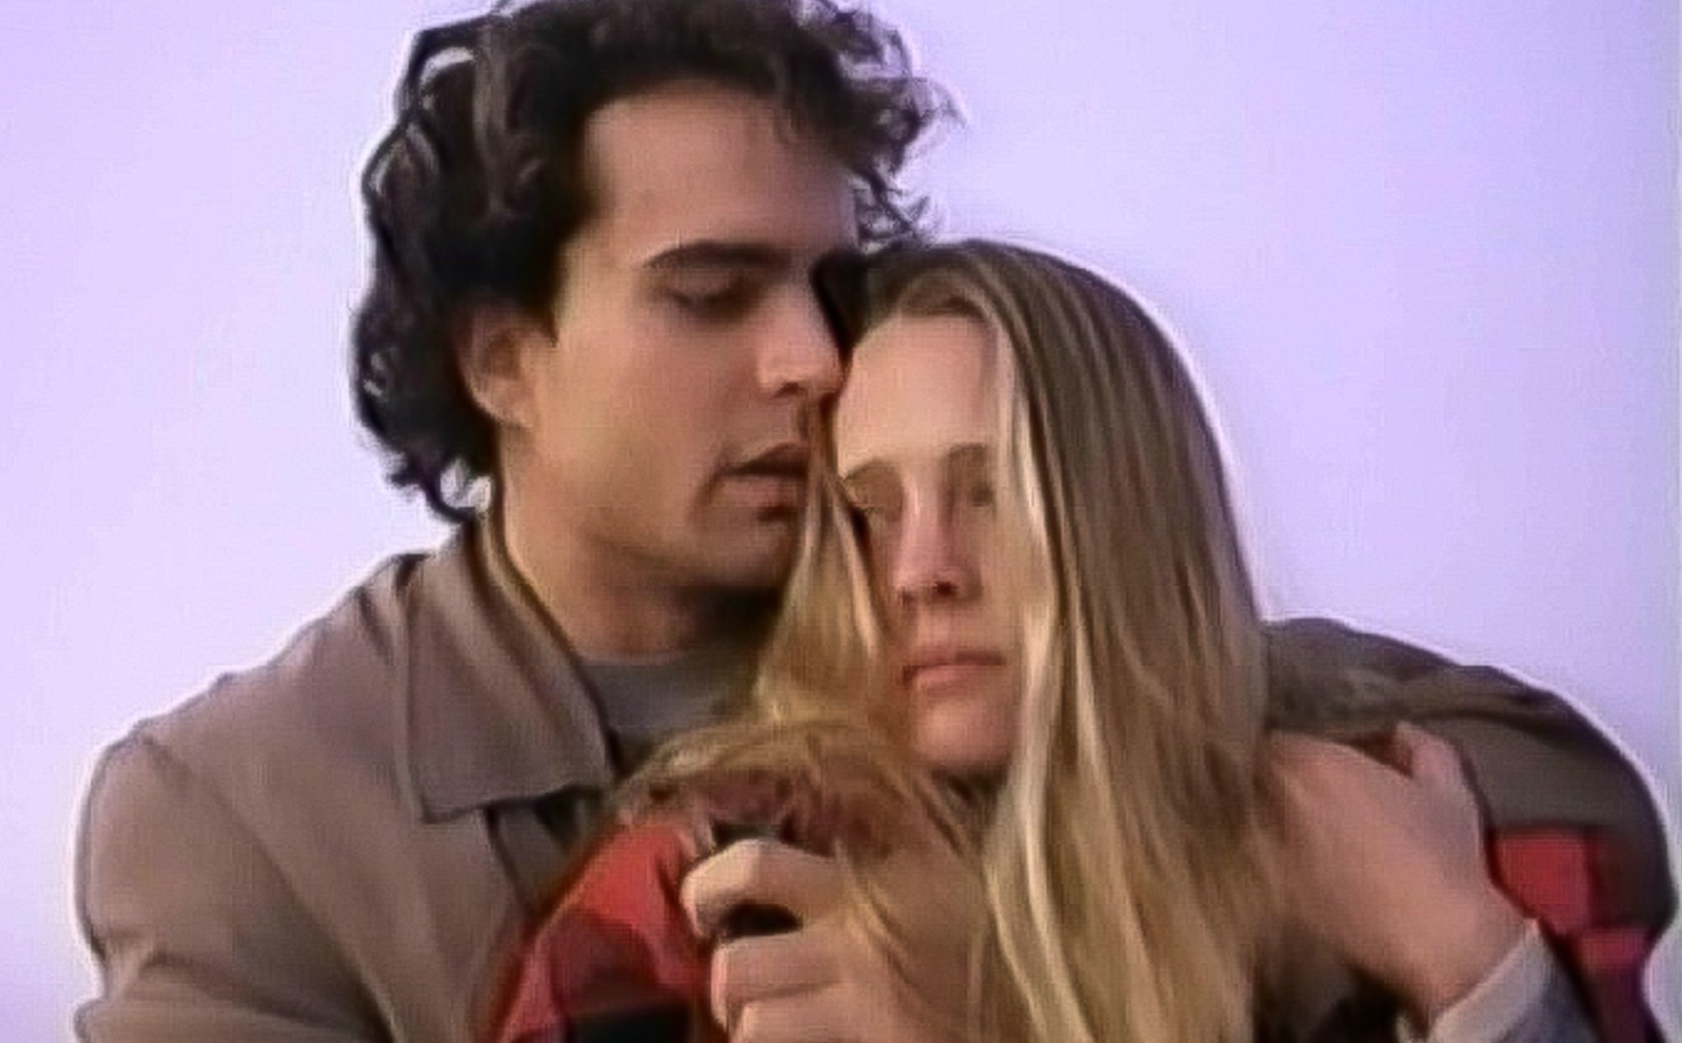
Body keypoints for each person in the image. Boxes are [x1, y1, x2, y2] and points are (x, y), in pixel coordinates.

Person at [72, 0, 1672, 1043]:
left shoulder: (955, 624)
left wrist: (1065, 943)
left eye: (830, 290)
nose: (811, 359)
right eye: (713, 295)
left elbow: (1542, 780)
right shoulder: (239, 818)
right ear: (503, 359)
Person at [488, 241, 1670, 1043]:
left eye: (989, 490)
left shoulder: (1413, 831)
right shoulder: (716, 888)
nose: (920, 569)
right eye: (869, 510)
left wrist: (1466, 962)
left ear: (1132, 519)